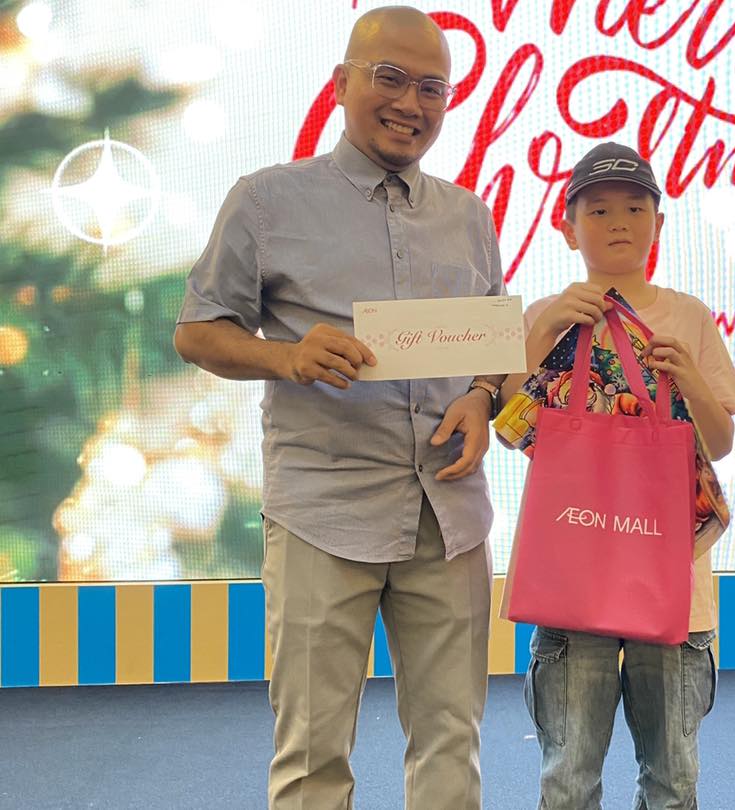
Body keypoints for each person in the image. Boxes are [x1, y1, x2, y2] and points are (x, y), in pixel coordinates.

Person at [173, 7, 505, 809]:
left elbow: (496, 344)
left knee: (451, 745)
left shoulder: (468, 215)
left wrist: (485, 398)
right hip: (323, 511)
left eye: (433, 87)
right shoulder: (266, 201)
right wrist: (284, 356)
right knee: (315, 755)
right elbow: (196, 331)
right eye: (388, 77)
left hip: (448, 517)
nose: (410, 103)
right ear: (341, 84)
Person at [505, 142, 735, 809]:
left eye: (636, 207)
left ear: (660, 223)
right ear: (567, 225)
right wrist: (549, 325)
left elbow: (721, 444)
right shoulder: (544, 315)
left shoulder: (689, 316)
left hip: (671, 586)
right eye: (599, 209)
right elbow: (509, 424)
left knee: (673, 782)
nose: (619, 221)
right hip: (572, 585)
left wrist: (692, 379)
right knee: (567, 779)